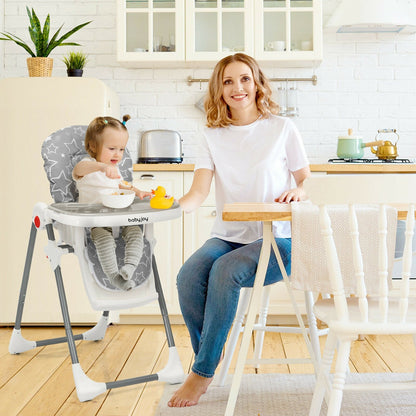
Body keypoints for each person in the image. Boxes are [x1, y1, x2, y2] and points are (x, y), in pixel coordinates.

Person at [168, 53, 310, 407]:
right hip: (229, 236)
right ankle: (210, 359)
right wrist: (168, 208)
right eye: (228, 81)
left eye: (244, 79)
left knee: (225, 271)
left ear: (257, 82)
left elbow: (305, 178)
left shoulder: (281, 128)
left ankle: (201, 373)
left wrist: (299, 191)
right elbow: (198, 193)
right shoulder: (211, 135)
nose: (238, 88)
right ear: (219, 89)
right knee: (188, 276)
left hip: (279, 238)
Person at [73, 115, 152, 291]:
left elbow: (124, 185)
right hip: (97, 221)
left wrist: (139, 192)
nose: (118, 154)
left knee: (136, 233)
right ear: (93, 146)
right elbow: (78, 170)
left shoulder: (115, 171)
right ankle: (114, 277)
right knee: (104, 240)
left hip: (119, 217)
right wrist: (101, 167)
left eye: (122, 149)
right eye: (112, 148)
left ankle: (129, 268)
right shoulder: (88, 165)